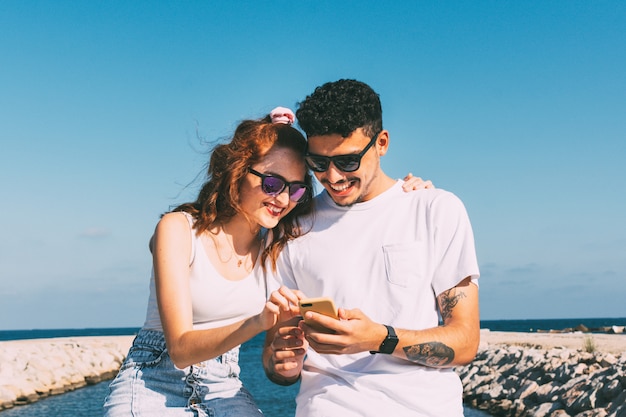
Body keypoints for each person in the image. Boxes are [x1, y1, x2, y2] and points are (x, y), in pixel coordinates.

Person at [263, 80, 480, 416]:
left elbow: (465, 341)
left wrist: (379, 338)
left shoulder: (435, 209)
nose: (333, 177)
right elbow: (278, 360)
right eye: (318, 163)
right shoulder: (291, 228)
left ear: (382, 143)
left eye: (348, 162)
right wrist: (281, 363)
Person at [103, 107, 316, 416]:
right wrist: (257, 323)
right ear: (239, 172)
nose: (283, 200)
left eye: (295, 189)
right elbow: (180, 349)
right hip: (153, 380)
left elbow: (273, 365)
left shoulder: (278, 249)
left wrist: (285, 364)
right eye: (272, 183)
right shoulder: (178, 229)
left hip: (224, 386)